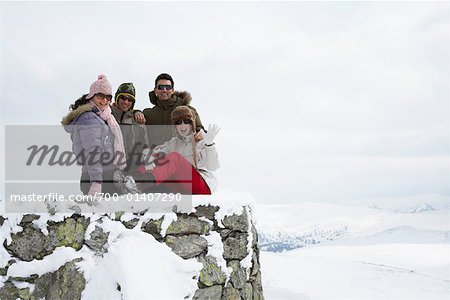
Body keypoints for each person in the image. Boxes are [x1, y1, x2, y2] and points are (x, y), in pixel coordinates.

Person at [62, 74, 130, 196]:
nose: (104, 101)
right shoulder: (89, 119)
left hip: (103, 174)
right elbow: (92, 152)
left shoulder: (103, 116)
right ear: (92, 96)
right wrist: (96, 182)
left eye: (108, 97)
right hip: (98, 178)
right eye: (100, 96)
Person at [135, 106, 220, 195]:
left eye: (186, 122)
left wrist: (209, 145)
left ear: (192, 124)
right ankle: (133, 183)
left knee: (175, 157)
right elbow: (156, 152)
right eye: (179, 122)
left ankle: (144, 183)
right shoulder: (173, 143)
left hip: (201, 185)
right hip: (183, 186)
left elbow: (212, 167)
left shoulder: (202, 141)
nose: (183, 126)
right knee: (156, 161)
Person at [142, 73, 204, 146]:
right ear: (155, 90)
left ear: (173, 90)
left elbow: (200, 130)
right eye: (160, 87)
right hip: (157, 155)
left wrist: (201, 134)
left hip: (182, 154)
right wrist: (136, 112)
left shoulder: (187, 110)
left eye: (168, 87)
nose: (164, 90)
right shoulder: (148, 114)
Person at [112, 82, 149, 173]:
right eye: (123, 98)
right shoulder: (108, 116)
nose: (126, 102)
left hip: (132, 168)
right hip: (110, 166)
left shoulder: (137, 120)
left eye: (130, 100)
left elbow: (145, 145)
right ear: (117, 98)